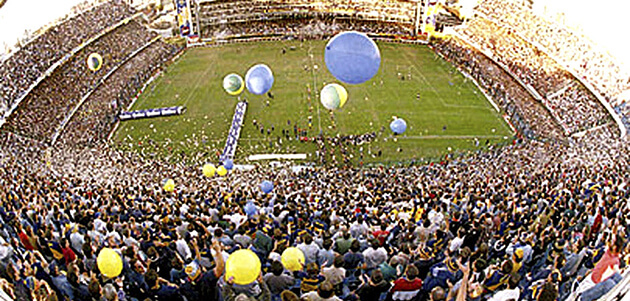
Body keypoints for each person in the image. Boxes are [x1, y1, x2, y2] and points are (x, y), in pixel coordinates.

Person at [579, 234, 625, 301]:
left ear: (615, 247)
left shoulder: (615, 261)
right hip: (590, 276)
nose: (609, 240)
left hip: (594, 284)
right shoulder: (608, 251)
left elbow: (613, 272)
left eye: (611, 240)